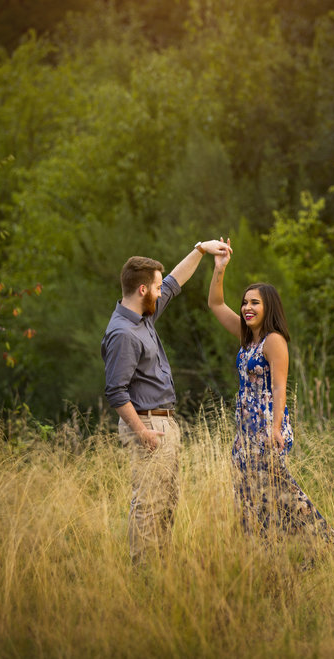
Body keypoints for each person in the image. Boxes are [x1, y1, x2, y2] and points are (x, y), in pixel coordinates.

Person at [207, 239, 334, 550]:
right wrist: (220, 269)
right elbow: (216, 304)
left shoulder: (273, 341)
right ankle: (260, 551)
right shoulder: (247, 339)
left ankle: (326, 545)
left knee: (282, 494)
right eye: (244, 303)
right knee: (248, 494)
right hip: (245, 431)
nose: (246, 308)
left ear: (268, 306)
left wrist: (277, 428)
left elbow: (280, 386)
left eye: (254, 302)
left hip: (268, 427)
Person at [101, 239, 231, 564]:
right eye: (156, 288)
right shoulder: (123, 334)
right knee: (148, 504)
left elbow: (174, 281)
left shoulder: (143, 315)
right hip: (145, 423)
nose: (162, 293)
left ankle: (160, 567)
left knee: (166, 502)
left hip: (163, 421)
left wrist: (201, 250)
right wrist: (142, 432)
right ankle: (144, 573)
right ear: (143, 289)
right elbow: (116, 392)